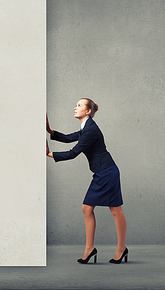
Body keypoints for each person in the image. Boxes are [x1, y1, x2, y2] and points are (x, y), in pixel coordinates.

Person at [46, 98, 128, 264]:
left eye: (79, 105)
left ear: (88, 111)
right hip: (102, 173)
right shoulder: (86, 127)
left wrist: (50, 154)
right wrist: (50, 131)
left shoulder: (90, 130)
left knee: (115, 210)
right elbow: (70, 137)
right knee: (88, 208)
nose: (75, 108)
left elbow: (73, 152)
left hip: (107, 173)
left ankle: (121, 248)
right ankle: (90, 248)